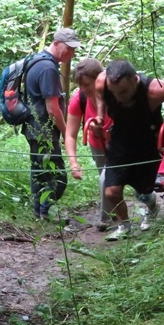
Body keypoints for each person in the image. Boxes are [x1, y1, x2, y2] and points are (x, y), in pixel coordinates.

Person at [94, 60, 164, 241]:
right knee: (111, 192)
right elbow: (100, 96)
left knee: (143, 193)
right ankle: (125, 226)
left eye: (122, 92)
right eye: (113, 92)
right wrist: (100, 116)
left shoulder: (155, 90)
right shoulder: (102, 83)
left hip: (148, 144)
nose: (117, 97)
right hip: (120, 142)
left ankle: (152, 207)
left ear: (135, 81)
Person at [22, 27, 80, 222]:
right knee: (58, 176)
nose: (71, 53)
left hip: (33, 128)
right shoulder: (48, 68)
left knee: (39, 171)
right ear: (56, 44)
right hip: (44, 130)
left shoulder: (36, 61)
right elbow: (53, 108)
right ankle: (46, 212)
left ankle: (40, 213)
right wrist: (66, 133)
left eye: (73, 49)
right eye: (68, 48)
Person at [64, 58, 115, 231]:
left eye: (87, 84)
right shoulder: (79, 98)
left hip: (118, 141)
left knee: (106, 178)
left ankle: (105, 220)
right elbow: (70, 134)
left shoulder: (115, 91)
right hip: (97, 143)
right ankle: (115, 211)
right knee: (107, 179)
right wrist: (73, 163)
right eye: (80, 85)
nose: (84, 89)